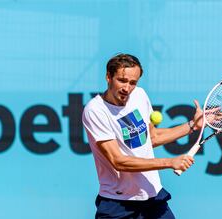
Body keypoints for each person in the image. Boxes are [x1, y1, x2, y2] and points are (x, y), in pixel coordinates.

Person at [82, 53, 204, 219]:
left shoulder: (139, 95)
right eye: (122, 80)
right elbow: (118, 161)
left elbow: (151, 138)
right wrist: (170, 162)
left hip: (153, 197)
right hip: (118, 203)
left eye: (133, 82)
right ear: (108, 77)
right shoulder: (95, 110)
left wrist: (192, 126)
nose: (127, 88)